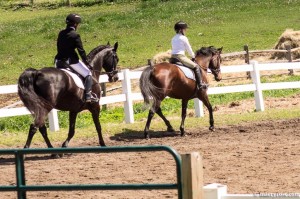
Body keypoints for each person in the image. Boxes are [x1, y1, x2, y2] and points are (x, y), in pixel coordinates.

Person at [55, 13, 96, 103]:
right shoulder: (75, 35)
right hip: (70, 61)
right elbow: (81, 51)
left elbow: (58, 47)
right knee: (88, 74)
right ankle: (88, 96)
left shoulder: (61, 33)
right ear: (75, 24)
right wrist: (87, 62)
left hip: (58, 61)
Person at [171, 21, 207, 89]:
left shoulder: (173, 38)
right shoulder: (183, 38)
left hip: (172, 57)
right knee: (196, 66)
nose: (186, 30)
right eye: (185, 29)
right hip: (180, 57)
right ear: (181, 30)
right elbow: (189, 48)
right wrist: (193, 56)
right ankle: (200, 84)